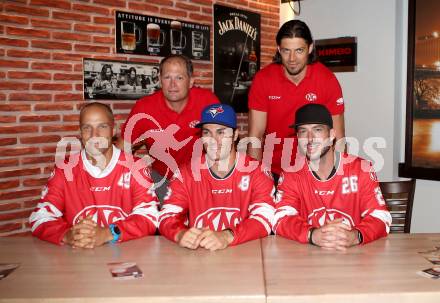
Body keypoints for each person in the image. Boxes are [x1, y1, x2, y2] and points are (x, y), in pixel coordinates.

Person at [29, 102, 158, 248]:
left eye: (102, 126)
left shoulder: (136, 167)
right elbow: (39, 217)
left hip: (127, 253)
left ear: (113, 130)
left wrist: (106, 234)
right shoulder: (65, 169)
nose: (94, 135)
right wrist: (68, 235)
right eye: (87, 127)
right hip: (80, 257)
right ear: (80, 132)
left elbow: (150, 217)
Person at [273, 104, 391, 250]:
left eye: (317, 130)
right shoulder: (291, 174)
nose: (310, 138)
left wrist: (355, 236)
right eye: (303, 131)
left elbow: (381, 217)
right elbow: (281, 219)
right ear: (297, 137)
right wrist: (313, 235)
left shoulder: (361, 169)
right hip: (308, 259)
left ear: (332, 134)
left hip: (354, 257)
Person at [159, 104, 275, 251]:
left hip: (246, 255)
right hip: (199, 257)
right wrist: (180, 234)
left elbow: (266, 218)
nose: (213, 140)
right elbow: (166, 216)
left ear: (235, 135)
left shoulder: (257, 171)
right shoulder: (185, 173)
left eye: (221, 132)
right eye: (207, 133)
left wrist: (227, 236)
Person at [248, 20, 346, 179]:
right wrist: (254, 180)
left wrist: (337, 179)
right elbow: (255, 136)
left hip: (315, 171)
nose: (292, 58)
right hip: (273, 170)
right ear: (279, 49)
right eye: (286, 50)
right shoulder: (263, 79)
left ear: (310, 48)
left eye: (299, 50)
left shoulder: (327, 80)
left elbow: (339, 137)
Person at [118, 55, 220, 191]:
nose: (173, 84)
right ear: (160, 81)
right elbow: (122, 148)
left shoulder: (207, 101)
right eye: (167, 77)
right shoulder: (144, 108)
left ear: (190, 82)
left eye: (179, 77)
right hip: (162, 177)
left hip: (201, 175)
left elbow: (224, 141)